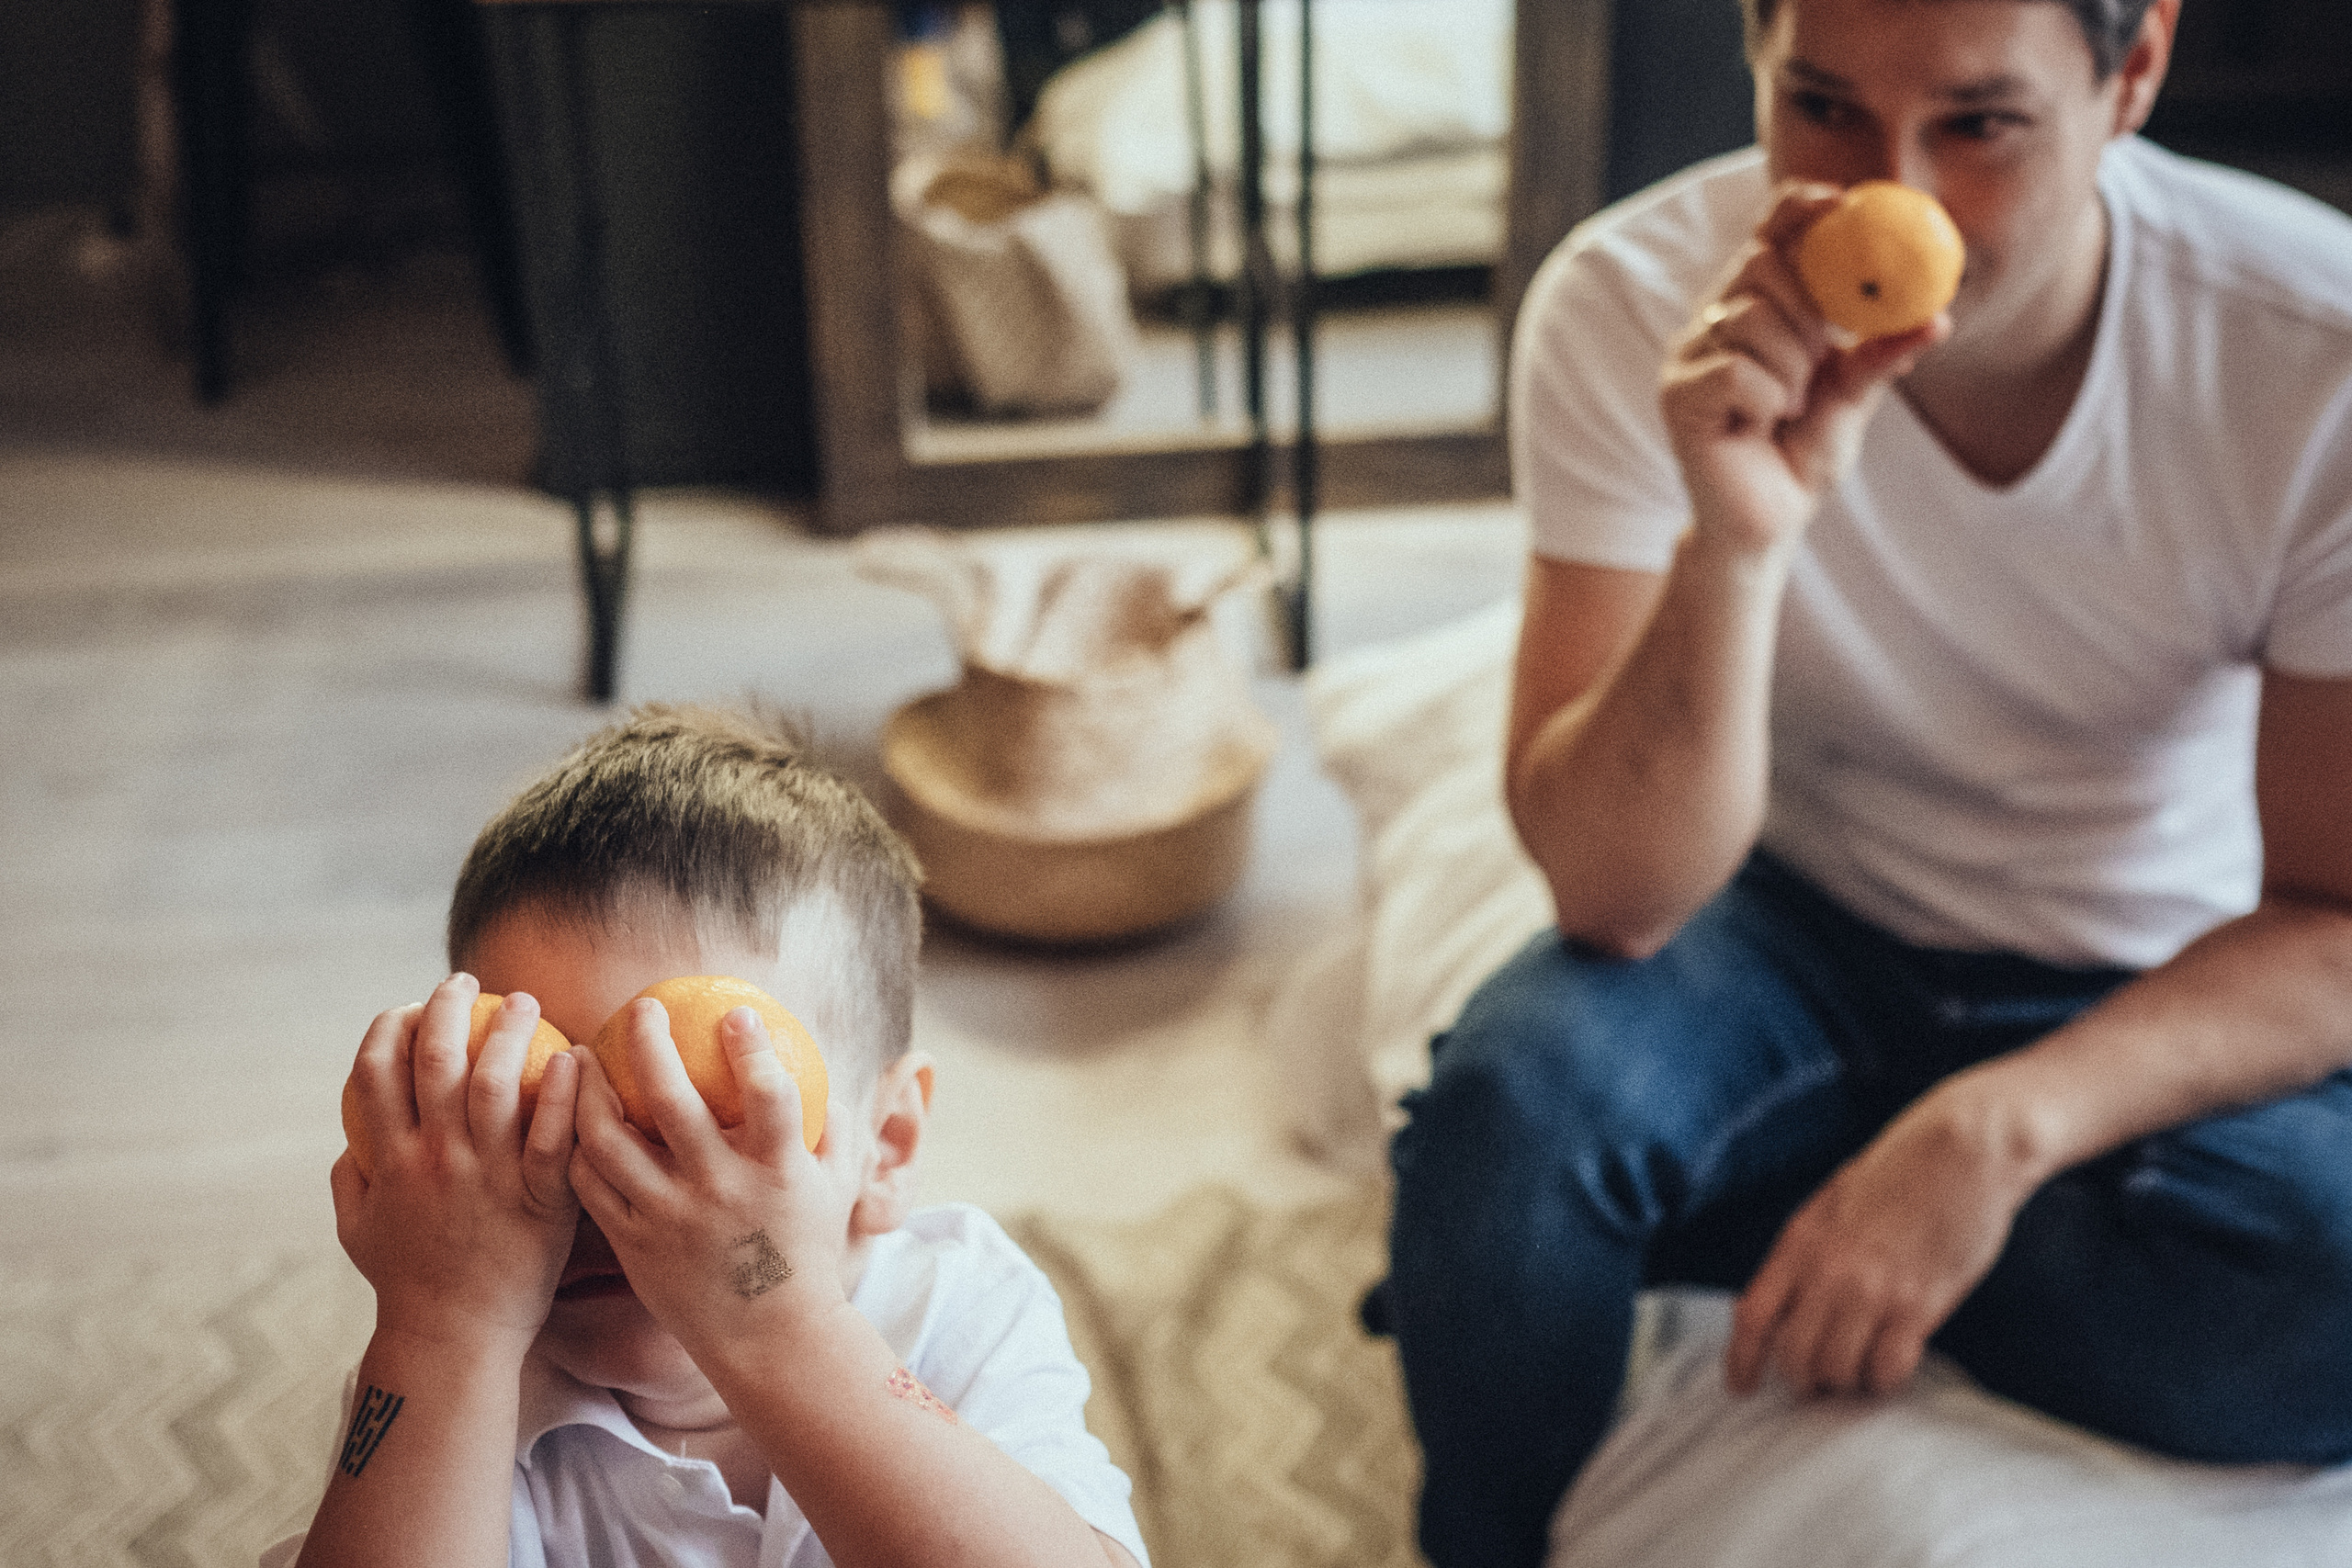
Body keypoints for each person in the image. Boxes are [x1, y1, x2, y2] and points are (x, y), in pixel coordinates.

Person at [1379, 0, 2352, 1563]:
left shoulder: (2311, 351)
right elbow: (1613, 895)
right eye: (1819, 108)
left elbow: (2334, 916)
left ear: (2137, 73)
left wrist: (1993, 1134)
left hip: (2135, 968)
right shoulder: (1632, 299)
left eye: (1980, 125)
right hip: (1781, 916)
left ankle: (1772, 1219)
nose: (1884, 195)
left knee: (2328, 1281)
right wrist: (1738, 540)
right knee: (1507, 1137)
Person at [263, 705, 1148, 1568]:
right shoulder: (456, 1372)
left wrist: (778, 1323)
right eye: (531, 1105)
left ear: (886, 1146)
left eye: (697, 1107)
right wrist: (445, 1327)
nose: (598, 1171)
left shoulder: (956, 1304)